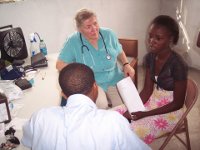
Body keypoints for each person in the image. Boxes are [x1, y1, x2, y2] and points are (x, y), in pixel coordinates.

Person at [21, 63, 151, 150]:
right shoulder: (114, 123)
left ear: (63, 95)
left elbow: (27, 140)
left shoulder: (40, 117)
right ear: (95, 87)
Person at [113, 15, 188, 144]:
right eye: (150, 36)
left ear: (170, 40)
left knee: (129, 131)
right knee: (114, 115)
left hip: (171, 110)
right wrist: (132, 108)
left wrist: (145, 114)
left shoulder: (178, 64)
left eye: (158, 38)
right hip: (153, 100)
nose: (151, 41)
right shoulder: (150, 58)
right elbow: (147, 90)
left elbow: (178, 104)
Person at [56, 8, 135, 108]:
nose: (94, 29)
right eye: (88, 27)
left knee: (124, 107)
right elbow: (59, 65)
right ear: (79, 29)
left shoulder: (109, 34)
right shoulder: (73, 41)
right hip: (93, 83)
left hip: (114, 77)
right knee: (101, 106)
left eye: (95, 23)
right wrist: (80, 74)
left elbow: (119, 50)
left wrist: (126, 64)